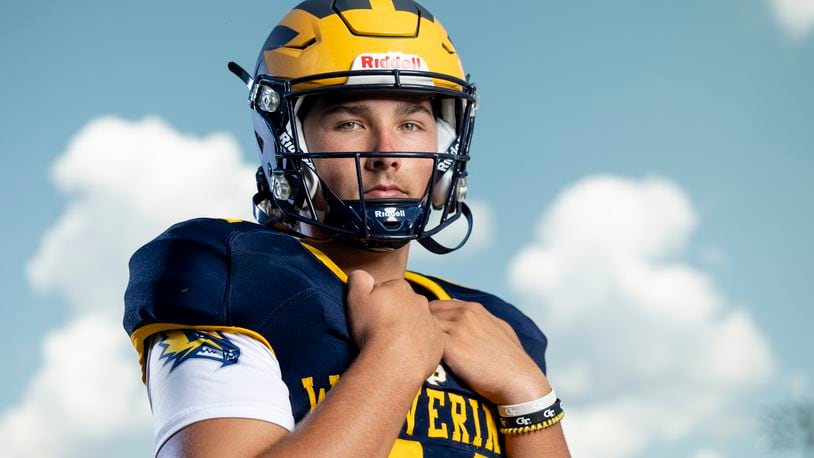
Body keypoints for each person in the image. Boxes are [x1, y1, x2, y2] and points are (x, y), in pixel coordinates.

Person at [123, 0, 570, 456]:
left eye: (412, 123)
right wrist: (395, 355)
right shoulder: (224, 271)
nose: (386, 153)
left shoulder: (496, 327)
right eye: (349, 122)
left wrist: (530, 397)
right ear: (285, 141)